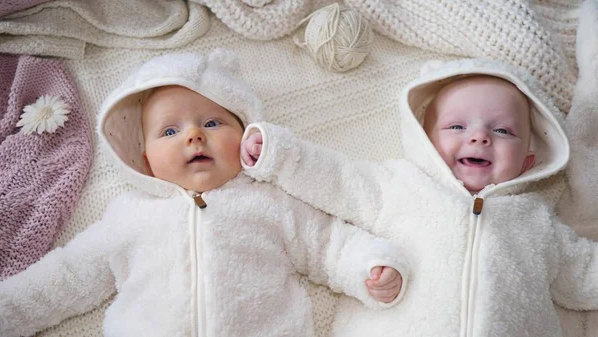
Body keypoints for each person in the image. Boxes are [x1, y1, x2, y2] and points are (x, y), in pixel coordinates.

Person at [0, 49, 408, 337]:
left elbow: (329, 245)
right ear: (143, 157)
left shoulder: (269, 201)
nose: (194, 135)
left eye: (212, 123)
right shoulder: (129, 216)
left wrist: (369, 266)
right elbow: (67, 277)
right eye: (170, 131)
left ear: (246, 133)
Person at [240, 59, 598, 337]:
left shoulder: (537, 222)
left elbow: (584, 275)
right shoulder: (402, 187)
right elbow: (339, 180)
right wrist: (280, 155)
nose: (479, 137)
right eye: (457, 126)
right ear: (424, 141)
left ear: (528, 160)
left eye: (502, 130)